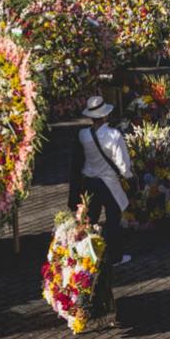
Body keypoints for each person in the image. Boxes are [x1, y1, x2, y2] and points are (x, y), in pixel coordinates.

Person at [70, 96, 135, 269]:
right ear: (105, 115)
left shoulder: (83, 135)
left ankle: (88, 255)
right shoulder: (114, 135)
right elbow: (123, 163)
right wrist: (127, 175)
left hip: (90, 182)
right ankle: (115, 256)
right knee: (113, 220)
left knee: (90, 220)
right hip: (109, 183)